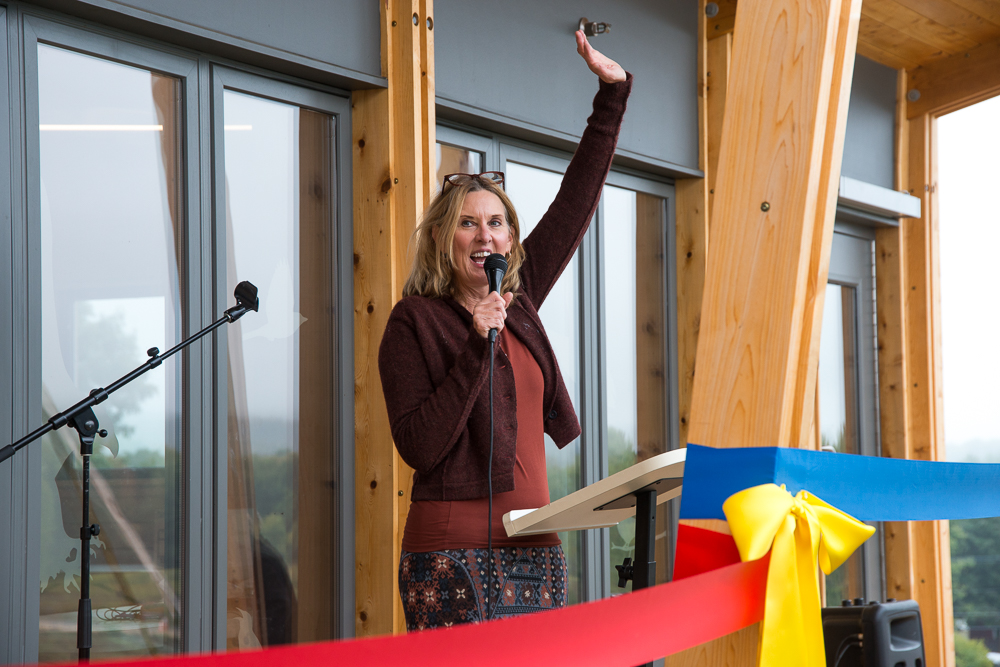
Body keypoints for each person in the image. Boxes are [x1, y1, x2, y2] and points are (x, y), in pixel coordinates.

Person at [378, 30, 631, 631]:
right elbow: (419, 446)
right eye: (468, 223)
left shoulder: (521, 300)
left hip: (538, 550)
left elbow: (575, 202)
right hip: (449, 555)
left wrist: (612, 95)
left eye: (496, 223)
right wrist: (475, 344)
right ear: (443, 238)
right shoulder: (414, 321)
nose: (484, 235)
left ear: (510, 239)